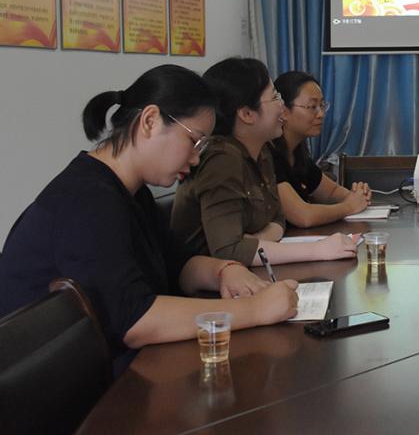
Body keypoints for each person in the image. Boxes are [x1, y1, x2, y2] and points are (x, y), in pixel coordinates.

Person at [0, 65, 299, 376]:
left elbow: (177, 264)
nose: (195, 158)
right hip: (61, 388)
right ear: (150, 121)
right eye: (195, 141)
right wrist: (254, 310)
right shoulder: (87, 200)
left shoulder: (131, 192)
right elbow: (134, 320)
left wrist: (224, 270)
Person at [171, 58, 357, 266]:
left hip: (251, 270)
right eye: (275, 97)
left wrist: (251, 242)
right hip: (209, 280)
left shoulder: (263, 152)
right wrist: (317, 250)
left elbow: (278, 220)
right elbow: (229, 251)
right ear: (247, 114)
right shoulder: (221, 159)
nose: (282, 107)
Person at [271, 71, 371, 227]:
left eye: (322, 105)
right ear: (283, 111)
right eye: (312, 107)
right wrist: (349, 207)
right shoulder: (269, 155)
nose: (321, 114)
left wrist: (359, 195)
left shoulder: (298, 153)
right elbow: (304, 216)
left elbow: (331, 192)